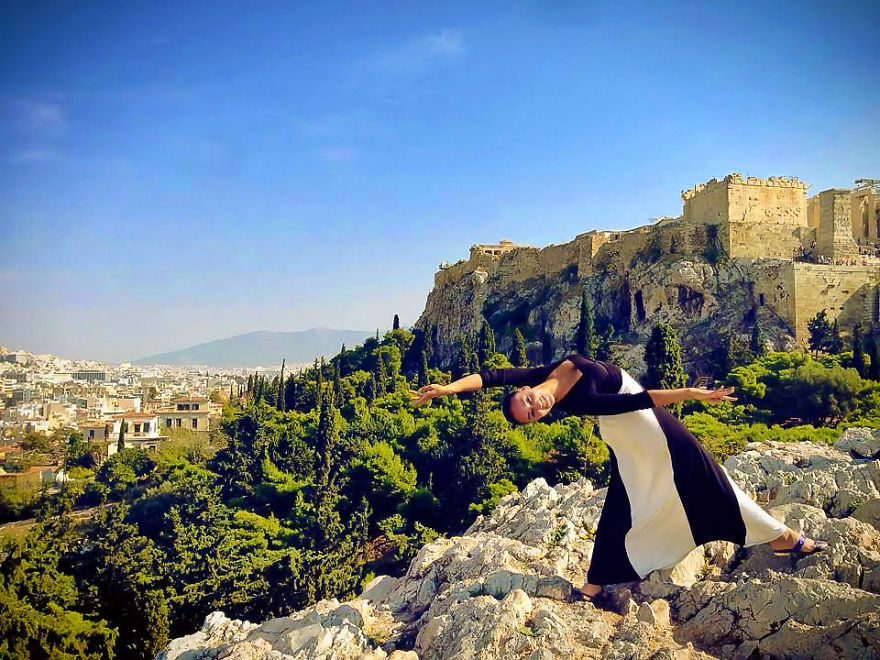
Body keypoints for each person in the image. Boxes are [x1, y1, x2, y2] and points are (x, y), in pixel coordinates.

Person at [409, 354, 827, 608]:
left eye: (530, 402)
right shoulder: (581, 399)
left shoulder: (546, 372)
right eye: (533, 415)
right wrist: (693, 394)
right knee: (679, 478)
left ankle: (594, 585)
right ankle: (781, 536)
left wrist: (447, 389)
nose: (538, 408)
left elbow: (489, 376)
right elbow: (641, 400)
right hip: (637, 425)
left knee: (676, 481)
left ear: (529, 388)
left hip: (641, 427)